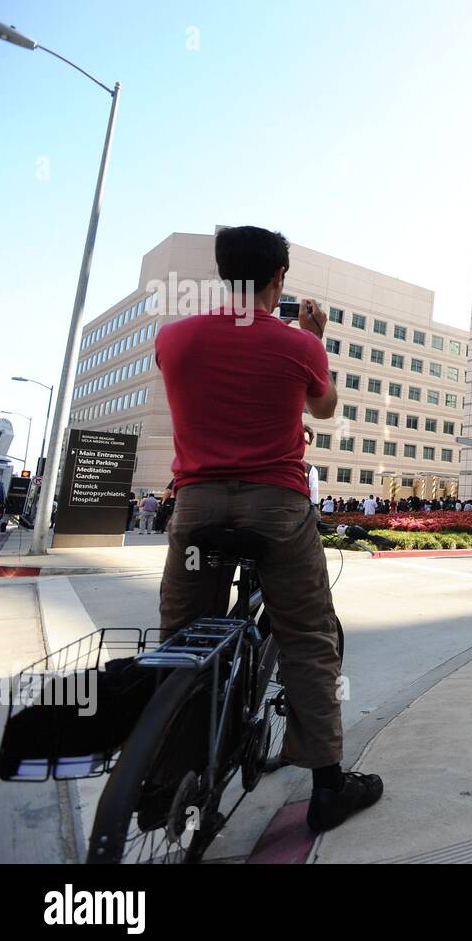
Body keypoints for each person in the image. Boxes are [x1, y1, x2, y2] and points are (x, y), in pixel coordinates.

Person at [154, 225, 381, 831]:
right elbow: (323, 408)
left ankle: (167, 771)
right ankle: (328, 784)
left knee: (181, 635)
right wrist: (314, 338)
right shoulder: (298, 345)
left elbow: (218, 399)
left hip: (197, 507)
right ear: (279, 278)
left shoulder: (172, 339)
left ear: (223, 273)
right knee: (308, 635)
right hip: (275, 508)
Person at [302, 425, 320, 508]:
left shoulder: (311, 470)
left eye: (306, 442)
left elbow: (313, 503)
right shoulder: (276, 463)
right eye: (300, 439)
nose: (302, 444)